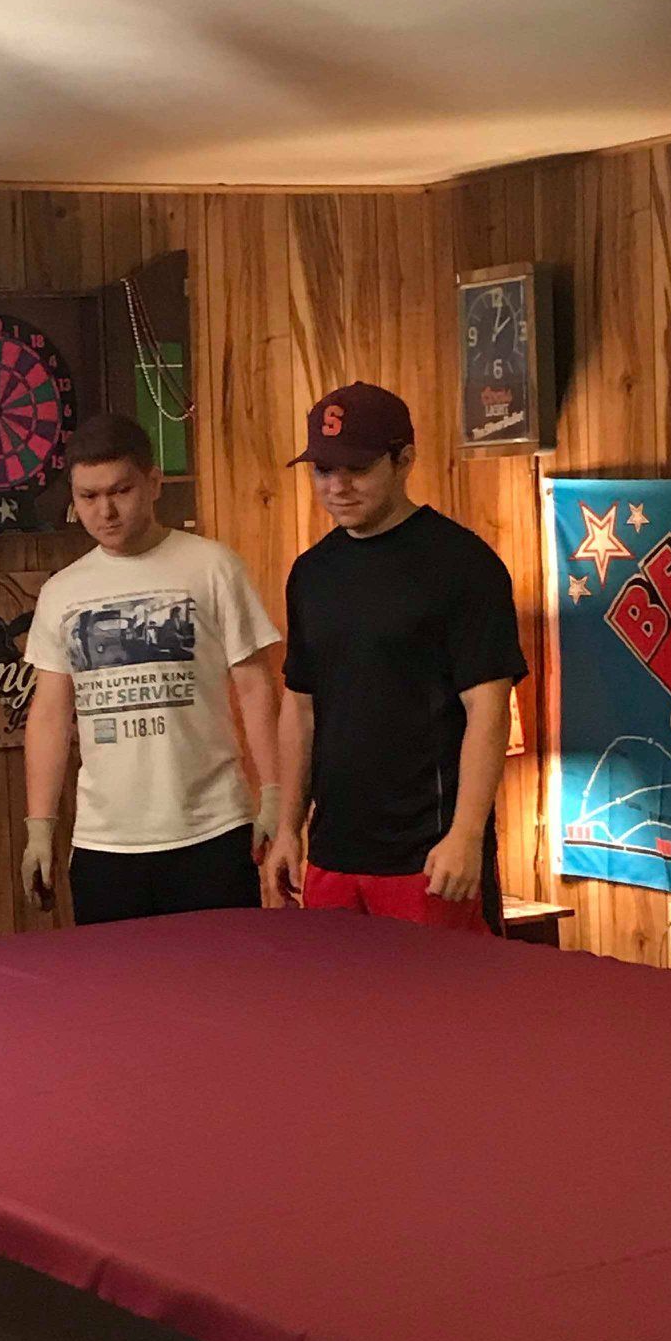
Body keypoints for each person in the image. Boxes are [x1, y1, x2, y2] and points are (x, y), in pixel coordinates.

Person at [265, 382, 526, 932]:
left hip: (428, 856)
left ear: (404, 460)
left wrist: (466, 834)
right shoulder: (311, 572)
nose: (337, 487)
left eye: (357, 469)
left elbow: (488, 709)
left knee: (440, 991)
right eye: (323, 470)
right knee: (337, 990)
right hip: (333, 852)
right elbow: (301, 707)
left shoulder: (462, 564)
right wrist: (288, 827)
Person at [21, 414, 281, 923]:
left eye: (121, 491)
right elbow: (50, 714)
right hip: (106, 842)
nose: (106, 511)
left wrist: (274, 795)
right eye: (88, 496)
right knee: (115, 979)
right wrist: (39, 828)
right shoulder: (62, 592)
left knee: (227, 973)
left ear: (154, 483)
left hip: (211, 828)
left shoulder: (213, 566)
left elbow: (255, 686)